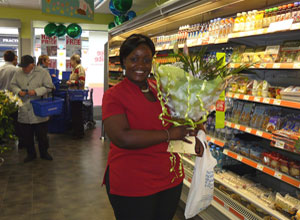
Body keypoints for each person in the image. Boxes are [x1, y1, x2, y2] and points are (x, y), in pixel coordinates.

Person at [102, 34, 204, 220]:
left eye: (146, 60)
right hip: (133, 183)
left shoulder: (160, 88)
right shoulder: (114, 95)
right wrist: (168, 134)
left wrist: (195, 133)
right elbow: (122, 138)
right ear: (123, 61)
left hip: (170, 178)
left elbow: (181, 118)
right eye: (134, 59)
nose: (140, 65)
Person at [10, 55, 54, 163]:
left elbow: (50, 87)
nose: (24, 69)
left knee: (42, 135)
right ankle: (31, 154)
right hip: (24, 107)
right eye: (22, 67)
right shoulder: (18, 73)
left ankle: (44, 152)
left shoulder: (43, 73)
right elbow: (12, 85)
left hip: (39, 107)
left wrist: (36, 91)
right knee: (27, 135)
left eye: (26, 67)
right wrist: (18, 91)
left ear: (32, 65)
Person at [67, 54, 85, 138]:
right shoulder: (74, 69)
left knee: (77, 114)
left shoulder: (79, 68)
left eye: (71, 60)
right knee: (74, 113)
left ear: (75, 60)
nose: (70, 62)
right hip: (73, 94)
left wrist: (72, 82)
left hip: (77, 94)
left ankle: (79, 133)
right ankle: (76, 131)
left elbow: (82, 82)